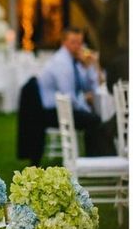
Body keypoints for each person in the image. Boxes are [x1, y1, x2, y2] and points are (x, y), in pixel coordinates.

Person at [38, 27, 116, 156]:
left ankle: (100, 157)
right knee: (94, 120)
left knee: (94, 118)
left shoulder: (72, 60)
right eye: (73, 42)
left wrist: (91, 65)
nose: (78, 46)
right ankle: (98, 158)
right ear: (64, 42)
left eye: (80, 42)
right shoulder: (62, 63)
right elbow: (69, 97)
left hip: (64, 107)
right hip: (52, 112)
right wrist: (85, 102)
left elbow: (89, 86)